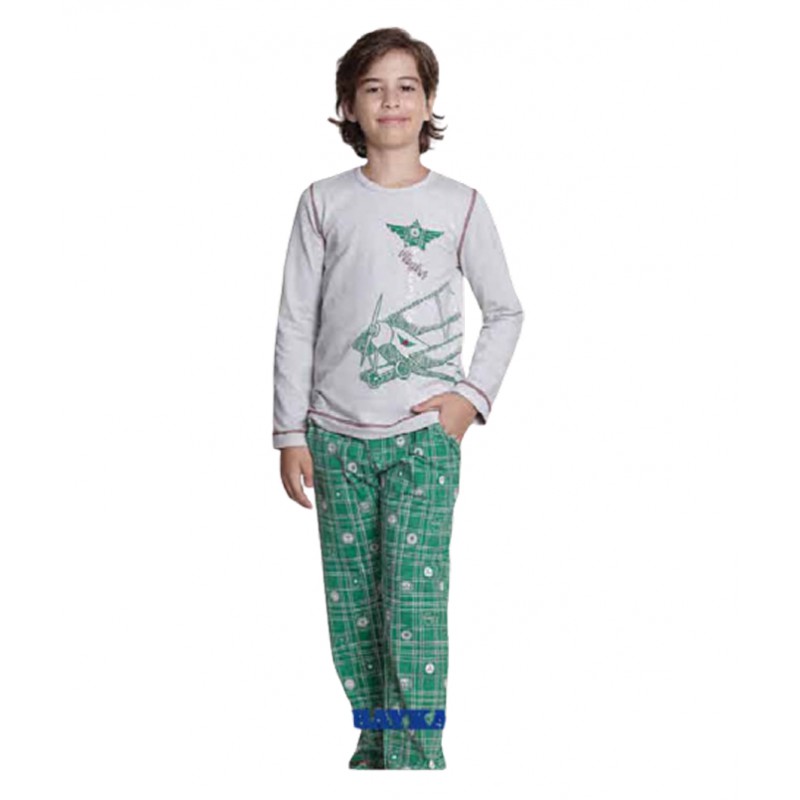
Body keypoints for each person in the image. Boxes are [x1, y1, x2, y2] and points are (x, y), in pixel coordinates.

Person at [272, 27, 525, 770]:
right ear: (350, 105)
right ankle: (378, 744)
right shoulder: (322, 203)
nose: (391, 100)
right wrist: (290, 432)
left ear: (429, 100)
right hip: (333, 439)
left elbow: (505, 310)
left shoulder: (460, 205)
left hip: (423, 443)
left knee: (412, 606)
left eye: (406, 86)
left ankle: (416, 757)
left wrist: (468, 400)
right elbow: (296, 320)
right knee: (354, 611)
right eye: (373, 88)